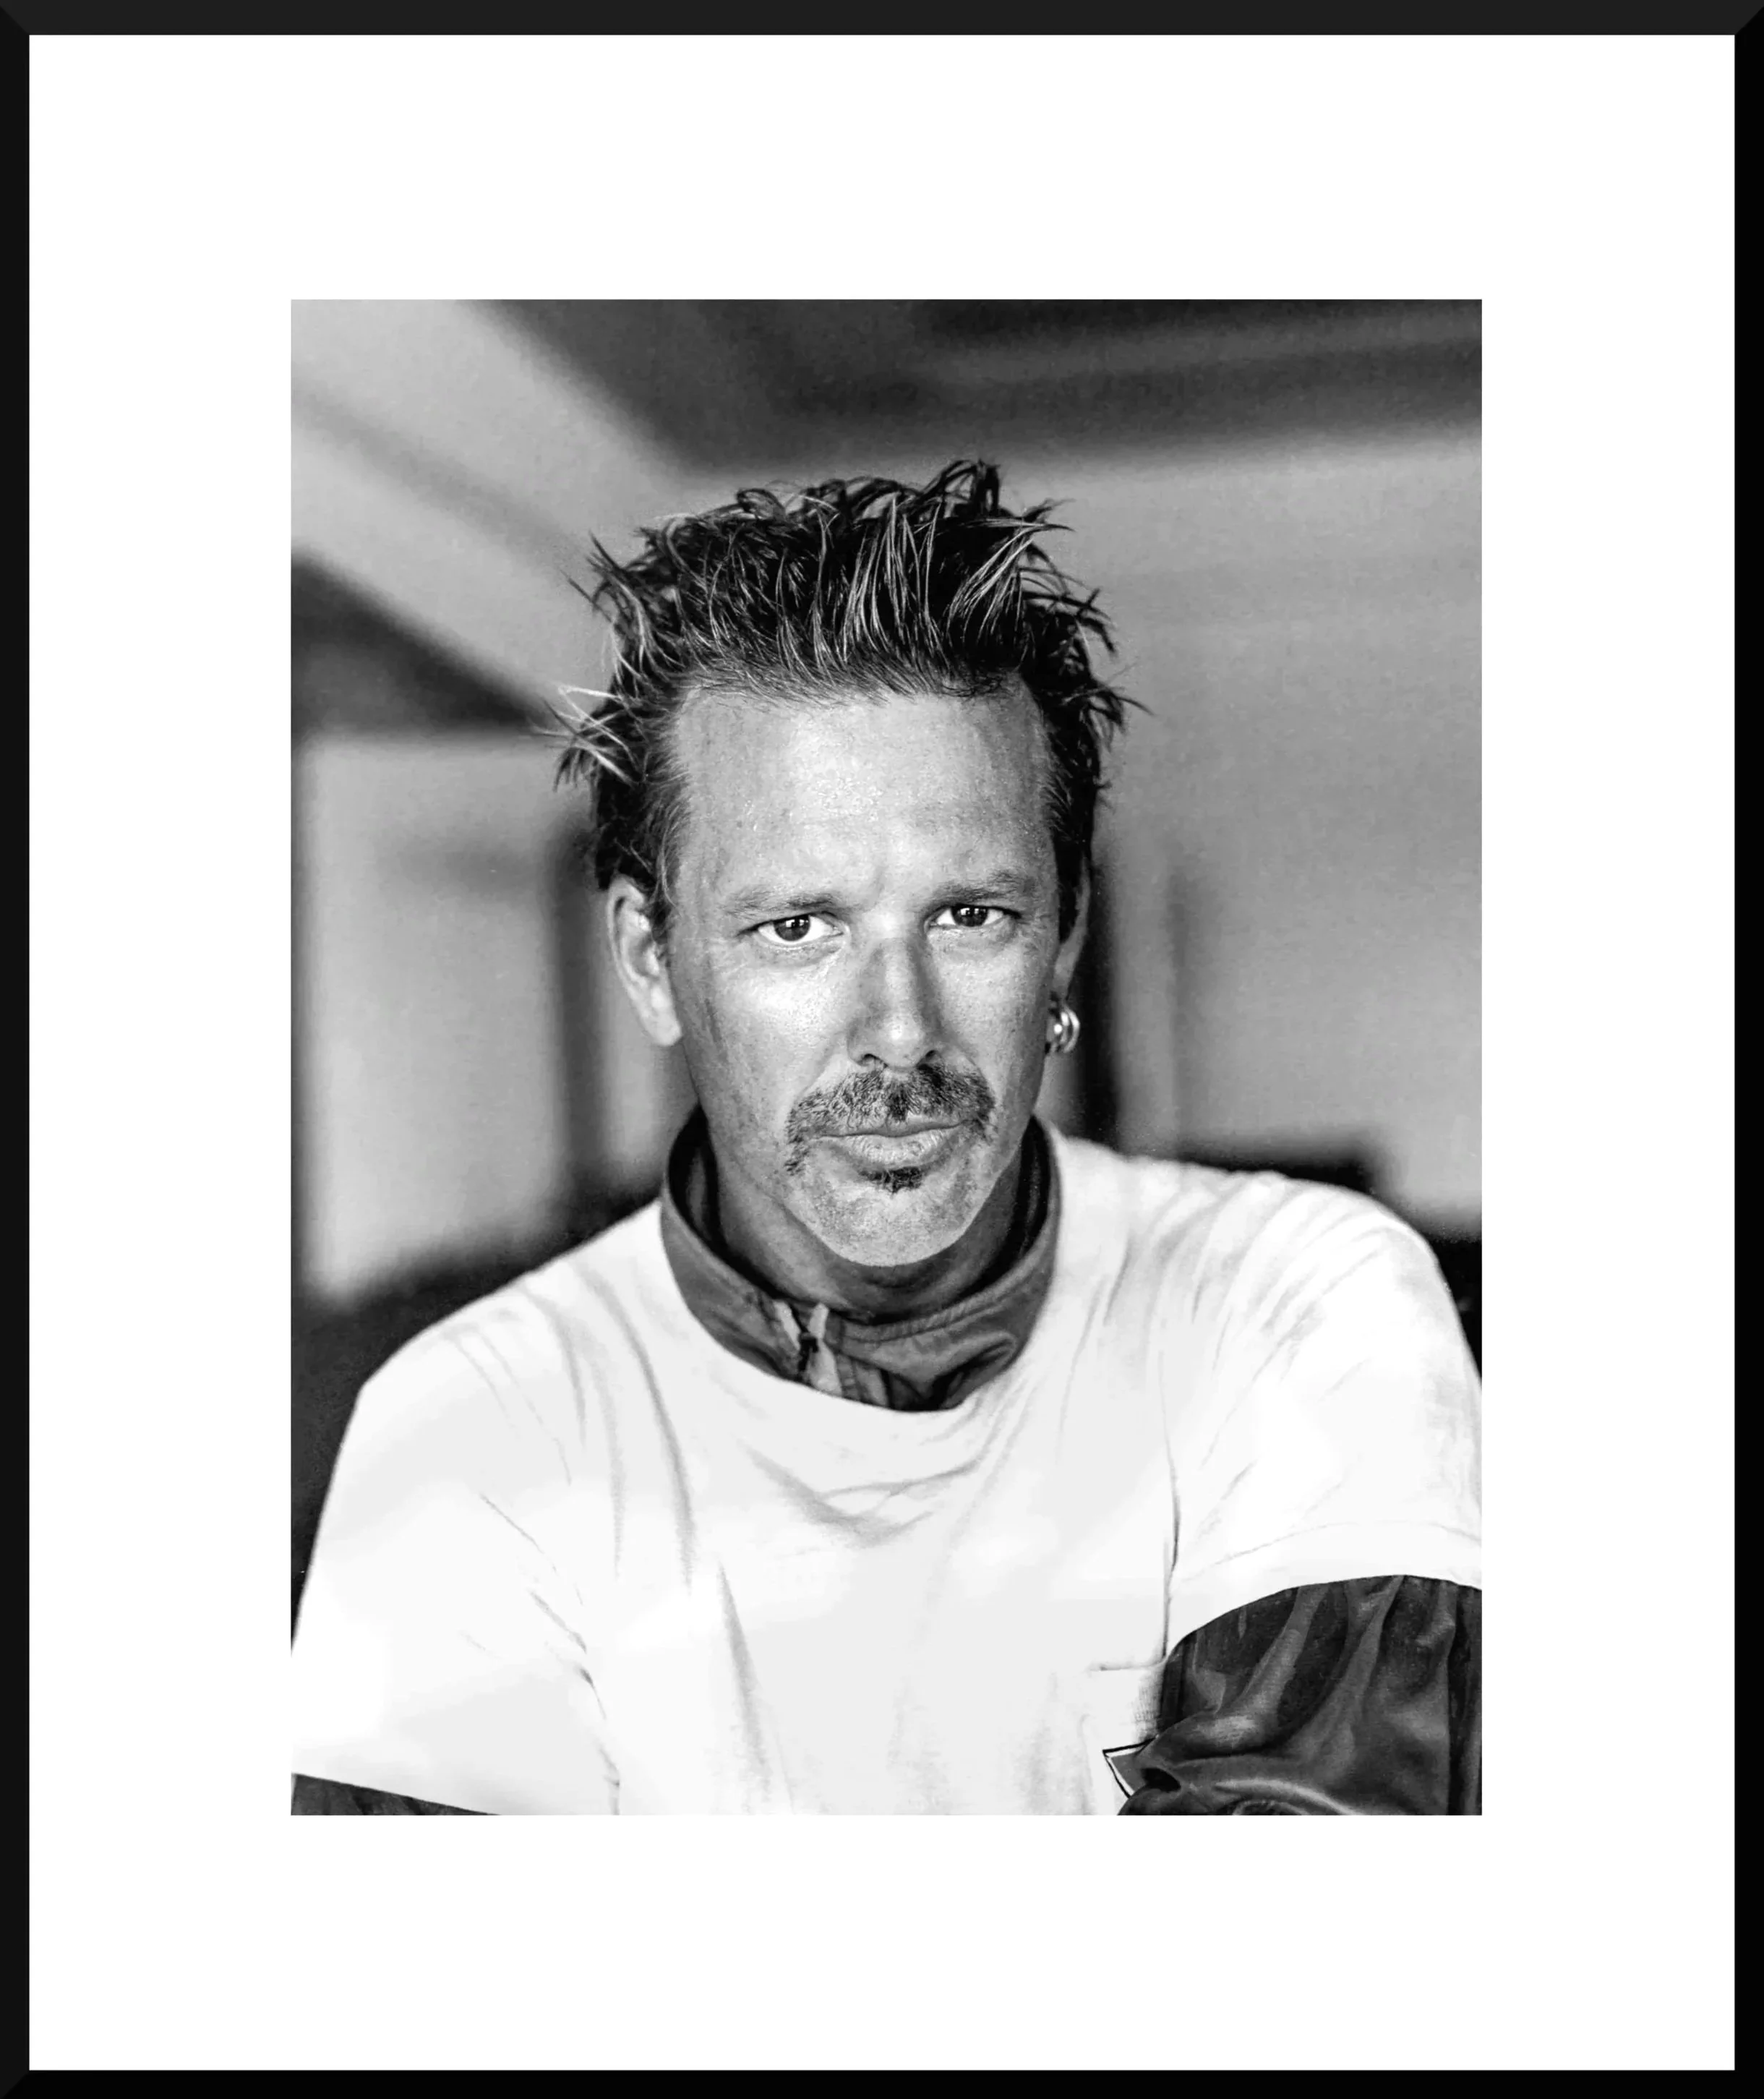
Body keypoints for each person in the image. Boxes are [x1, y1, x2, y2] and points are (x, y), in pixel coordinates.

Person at [291, 461, 1481, 1816]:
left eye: (971, 914)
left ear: (1066, 936)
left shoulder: (1298, 1296)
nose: (900, 1033)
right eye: (797, 927)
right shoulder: (470, 1433)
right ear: (651, 961)